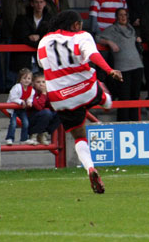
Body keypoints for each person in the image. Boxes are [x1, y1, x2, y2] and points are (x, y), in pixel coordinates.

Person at [37, 10, 123, 193]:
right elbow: (93, 55)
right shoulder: (81, 36)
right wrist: (109, 70)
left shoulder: (43, 41)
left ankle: (90, 168)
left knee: (79, 136)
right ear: (76, 25)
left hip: (59, 97)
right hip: (85, 90)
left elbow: (42, 64)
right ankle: (105, 98)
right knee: (103, 96)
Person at [96, 8, 144, 121]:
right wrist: (109, 42)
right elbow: (97, 38)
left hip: (137, 66)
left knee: (135, 97)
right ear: (116, 17)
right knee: (124, 96)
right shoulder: (112, 30)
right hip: (123, 68)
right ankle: (123, 122)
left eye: (125, 15)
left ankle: (135, 121)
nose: (123, 17)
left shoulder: (131, 29)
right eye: (120, 15)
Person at [9, 0, 52, 75]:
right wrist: (39, 40)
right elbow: (20, 37)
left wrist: (39, 37)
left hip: (42, 60)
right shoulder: (22, 18)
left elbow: (50, 38)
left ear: (45, 3)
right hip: (24, 60)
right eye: (36, 2)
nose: (39, 5)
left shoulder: (50, 19)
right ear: (32, 4)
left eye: (41, 2)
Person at [1, 0, 30, 88]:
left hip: (22, 31)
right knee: (9, 60)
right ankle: (8, 85)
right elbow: (10, 13)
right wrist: (17, 31)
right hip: (12, 32)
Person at [27, 72, 60, 145]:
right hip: (32, 118)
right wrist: (44, 94)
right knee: (46, 112)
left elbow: (54, 106)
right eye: (38, 82)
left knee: (61, 112)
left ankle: (43, 134)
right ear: (33, 83)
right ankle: (34, 135)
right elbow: (38, 107)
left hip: (45, 118)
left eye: (43, 82)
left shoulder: (49, 91)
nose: (41, 84)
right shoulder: (31, 92)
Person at [5, 68, 35, 145]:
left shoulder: (31, 90)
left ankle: (24, 139)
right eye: (24, 78)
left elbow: (30, 98)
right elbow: (12, 97)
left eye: (29, 78)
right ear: (20, 79)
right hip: (13, 109)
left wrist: (29, 102)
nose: (26, 80)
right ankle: (9, 138)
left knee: (26, 123)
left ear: (31, 80)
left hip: (22, 109)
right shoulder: (17, 87)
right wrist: (20, 101)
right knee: (13, 124)